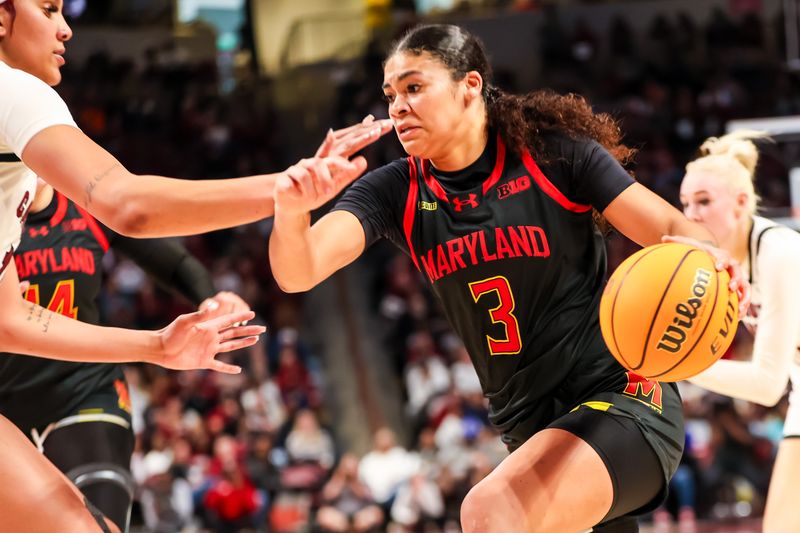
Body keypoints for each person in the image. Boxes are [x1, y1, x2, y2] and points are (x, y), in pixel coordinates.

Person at [268, 24, 749, 532]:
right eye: (390, 94)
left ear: (469, 85)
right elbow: (298, 272)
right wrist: (291, 212)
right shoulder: (395, 192)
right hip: (531, 425)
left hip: (621, 397)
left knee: (488, 511)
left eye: (414, 87)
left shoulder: (556, 156)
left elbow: (672, 228)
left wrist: (716, 260)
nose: (397, 106)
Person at [0, 1, 388, 530]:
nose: (66, 28)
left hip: (75, 392)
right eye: (47, 8)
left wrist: (157, 346)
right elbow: (128, 204)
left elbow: (8, 320)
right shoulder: (13, 90)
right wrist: (284, 188)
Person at [0, 178, 254, 532]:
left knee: (94, 526)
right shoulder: (4, 214)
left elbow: (173, 263)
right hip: (6, 410)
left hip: (83, 393)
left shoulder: (87, 205)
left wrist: (210, 299)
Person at [679, 131, 800, 533]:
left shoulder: (779, 251)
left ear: (742, 204)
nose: (690, 215)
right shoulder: (723, 264)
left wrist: (679, 366)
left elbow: (767, 383)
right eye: (684, 204)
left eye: (704, 202)